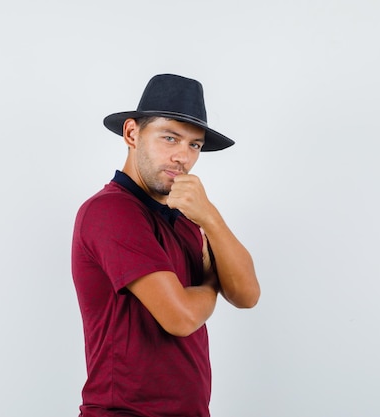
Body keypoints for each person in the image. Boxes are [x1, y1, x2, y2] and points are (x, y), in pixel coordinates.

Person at [71, 73, 260, 416]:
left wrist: (211, 218)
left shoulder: (187, 218)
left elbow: (247, 295)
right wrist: (213, 283)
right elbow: (181, 317)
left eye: (194, 145)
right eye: (169, 138)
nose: (182, 157)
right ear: (132, 134)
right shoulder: (110, 211)